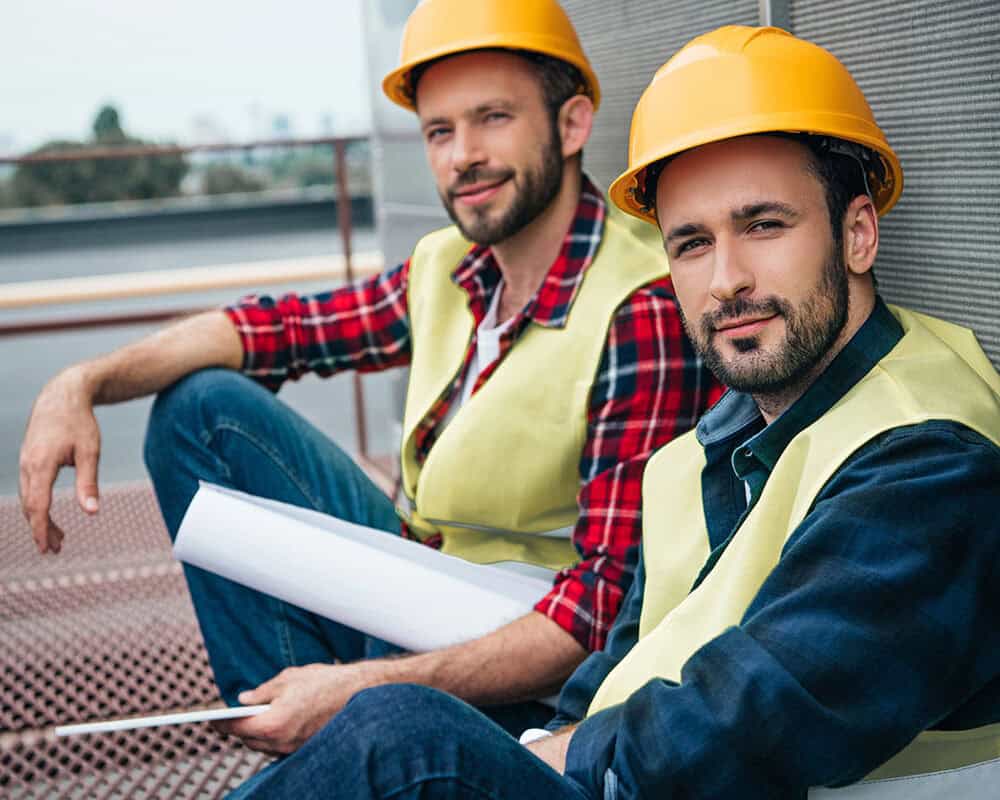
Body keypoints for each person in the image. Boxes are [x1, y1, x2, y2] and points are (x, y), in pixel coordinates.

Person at [219, 25, 1000, 800]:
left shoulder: (930, 461)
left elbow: (747, 720)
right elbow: (623, 663)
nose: (725, 279)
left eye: (764, 224)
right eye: (691, 243)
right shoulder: (719, 440)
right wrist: (529, 747)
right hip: (625, 763)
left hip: (696, 779)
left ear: (857, 232)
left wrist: (515, 762)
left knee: (400, 738)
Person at [18, 0, 719, 756]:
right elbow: (273, 330)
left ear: (573, 124)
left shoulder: (637, 304)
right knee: (201, 409)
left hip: (529, 671)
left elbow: (599, 617)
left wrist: (367, 686)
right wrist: (80, 382)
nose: (463, 156)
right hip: (417, 587)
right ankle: (303, 729)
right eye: (439, 131)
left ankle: (336, 738)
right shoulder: (450, 264)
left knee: (357, 722)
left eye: (492, 118)